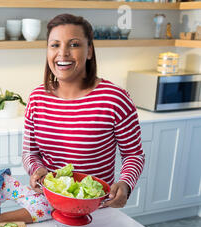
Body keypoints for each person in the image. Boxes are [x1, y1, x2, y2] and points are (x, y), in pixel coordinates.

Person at [23, 14, 145, 208]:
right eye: (55, 45)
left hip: (96, 208)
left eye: (74, 45)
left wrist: (125, 184)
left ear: (89, 51)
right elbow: (30, 152)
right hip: (47, 204)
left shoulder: (115, 99)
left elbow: (134, 155)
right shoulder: (37, 98)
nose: (62, 53)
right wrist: (37, 169)